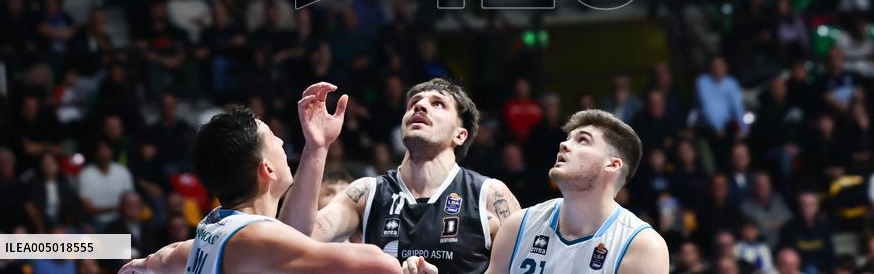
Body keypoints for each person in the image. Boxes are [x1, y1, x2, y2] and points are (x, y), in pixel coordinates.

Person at [118, 92, 401, 274]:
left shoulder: (213, 229)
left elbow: (293, 236)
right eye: (274, 139)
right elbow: (380, 264)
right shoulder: (256, 241)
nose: (281, 142)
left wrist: (317, 147)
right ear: (266, 168)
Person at [285, 79, 522, 274]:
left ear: (459, 135)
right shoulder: (367, 193)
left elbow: (525, 269)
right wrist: (316, 148)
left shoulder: (489, 195)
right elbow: (292, 239)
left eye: (438, 104)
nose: (420, 107)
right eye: (414, 103)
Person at [404, 110, 669, 274]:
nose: (565, 145)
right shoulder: (519, 225)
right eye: (567, 138)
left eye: (582, 140)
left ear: (612, 164)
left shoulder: (641, 246)